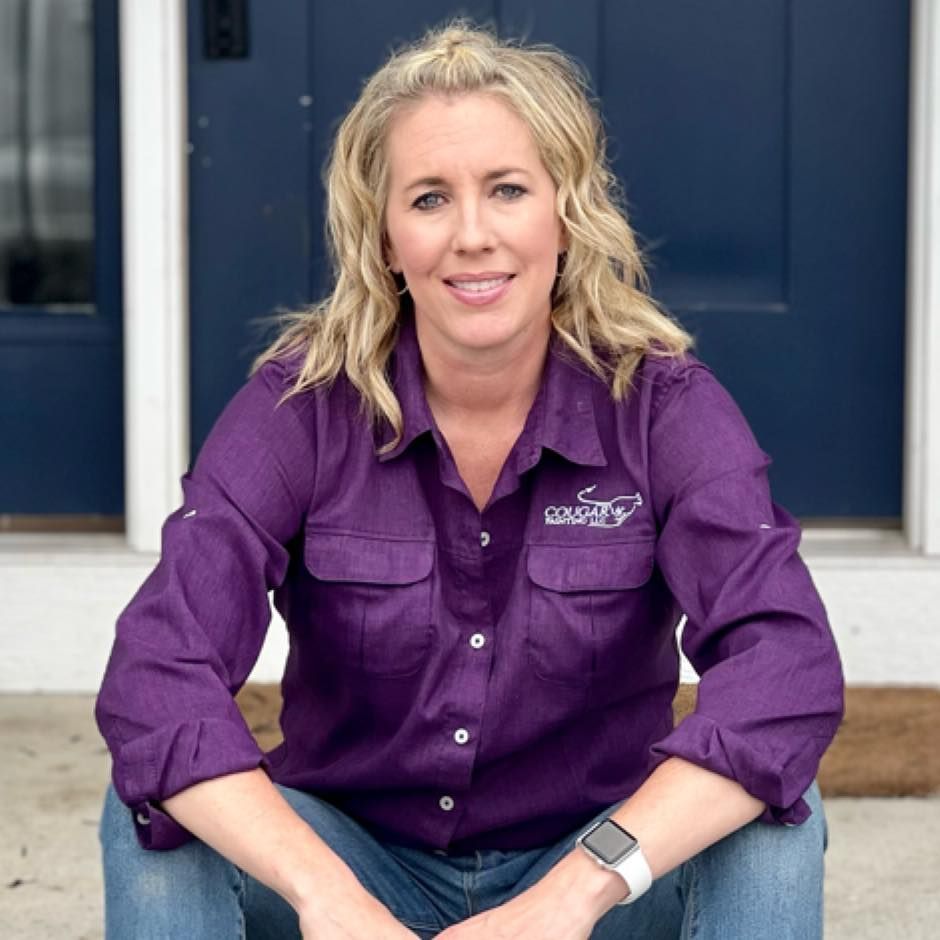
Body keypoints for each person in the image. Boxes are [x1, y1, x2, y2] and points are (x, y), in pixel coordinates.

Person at [95, 20, 844, 940]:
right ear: (384, 235)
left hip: (592, 872)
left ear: (566, 213)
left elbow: (784, 670)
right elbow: (157, 674)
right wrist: (326, 896)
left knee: (772, 810)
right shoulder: (303, 407)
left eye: (508, 190)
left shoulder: (661, 408)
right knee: (155, 811)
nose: (473, 236)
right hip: (354, 865)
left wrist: (571, 897)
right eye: (429, 199)